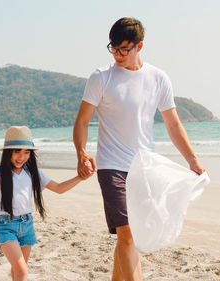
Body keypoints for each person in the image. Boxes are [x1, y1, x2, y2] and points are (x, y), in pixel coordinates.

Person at [73, 18, 206, 281]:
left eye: (124, 49)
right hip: (111, 166)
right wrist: (81, 152)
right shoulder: (101, 78)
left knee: (131, 236)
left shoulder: (158, 78)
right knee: (128, 234)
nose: (118, 54)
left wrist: (192, 159)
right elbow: (82, 121)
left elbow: (172, 123)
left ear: (139, 46)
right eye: (113, 48)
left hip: (144, 169)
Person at [0, 126, 84, 281]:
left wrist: (80, 177)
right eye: (17, 151)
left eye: (26, 152)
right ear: (8, 152)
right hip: (6, 226)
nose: (21, 157)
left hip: (27, 225)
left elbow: (58, 188)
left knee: (18, 269)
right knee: (22, 270)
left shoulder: (32, 173)